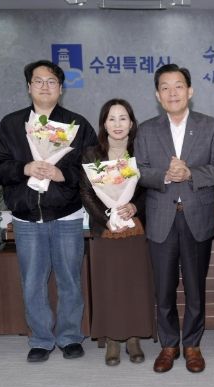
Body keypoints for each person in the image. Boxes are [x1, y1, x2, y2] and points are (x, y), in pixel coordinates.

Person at [0, 60, 97, 363]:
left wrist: (64, 175)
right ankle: (40, 339)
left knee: (70, 279)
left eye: (51, 81)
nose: (45, 86)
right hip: (26, 217)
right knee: (32, 281)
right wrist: (24, 168)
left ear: (61, 88)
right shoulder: (11, 125)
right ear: (28, 87)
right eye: (38, 81)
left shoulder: (77, 125)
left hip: (66, 214)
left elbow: (93, 167)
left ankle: (70, 336)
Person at [134, 63, 214, 373]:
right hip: (161, 217)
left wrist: (191, 173)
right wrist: (164, 175)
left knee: (194, 287)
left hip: (196, 217)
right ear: (157, 95)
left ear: (190, 91)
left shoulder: (210, 126)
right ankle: (168, 345)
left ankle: (192, 344)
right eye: (165, 87)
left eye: (178, 86)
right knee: (163, 288)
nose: (172, 92)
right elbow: (139, 171)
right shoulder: (146, 129)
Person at [80, 98, 156, 366]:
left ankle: (134, 337)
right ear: (104, 124)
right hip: (105, 230)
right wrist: (107, 218)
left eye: (123, 118)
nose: (117, 124)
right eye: (111, 118)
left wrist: (135, 207)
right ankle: (112, 339)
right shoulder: (91, 154)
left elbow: (150, 189)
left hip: (134, 228)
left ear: (132, 123)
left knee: (135, 283)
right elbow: (86, 193)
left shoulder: (141, 153)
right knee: (108, 284)